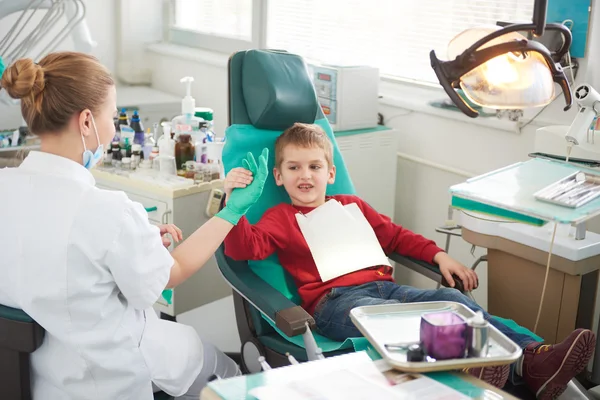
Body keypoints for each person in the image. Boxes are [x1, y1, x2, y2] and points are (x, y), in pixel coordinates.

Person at [223, 122, 595, 399]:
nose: (305, 175)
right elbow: (243, 249)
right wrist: (233, 204)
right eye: (293, 168)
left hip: (389, 288)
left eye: (314, 167)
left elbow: (397, 236)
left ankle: (534, 358)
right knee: (406, 323)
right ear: (278, 175)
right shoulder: (280, 218)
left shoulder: (353, 206)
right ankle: (474, 363)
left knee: (456, 304)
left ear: (330, 173)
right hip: (336, 303)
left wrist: (439, 255)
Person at [0, 52, 269, 400]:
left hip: (32, 376)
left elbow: (44, 254)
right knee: (224, 374)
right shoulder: (106, 211)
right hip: (106, 376)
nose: (113, 129)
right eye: (111, 117)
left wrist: (134, 243)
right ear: (85, 122)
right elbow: (171, 274)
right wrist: (232, 212)